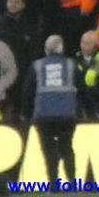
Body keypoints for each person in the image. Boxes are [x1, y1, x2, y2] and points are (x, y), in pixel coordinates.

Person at [24, 35, 80, 185]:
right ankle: (72, 182)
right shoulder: (71, 64)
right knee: (66, 148)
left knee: (49, 150)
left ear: (46, 49)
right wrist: (89, 110)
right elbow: (82, 90)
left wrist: (25, 113)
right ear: (62, 48)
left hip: (43, 115)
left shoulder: (37, 66)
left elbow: (27, 92)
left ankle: (54, 184)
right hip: (67, 114)